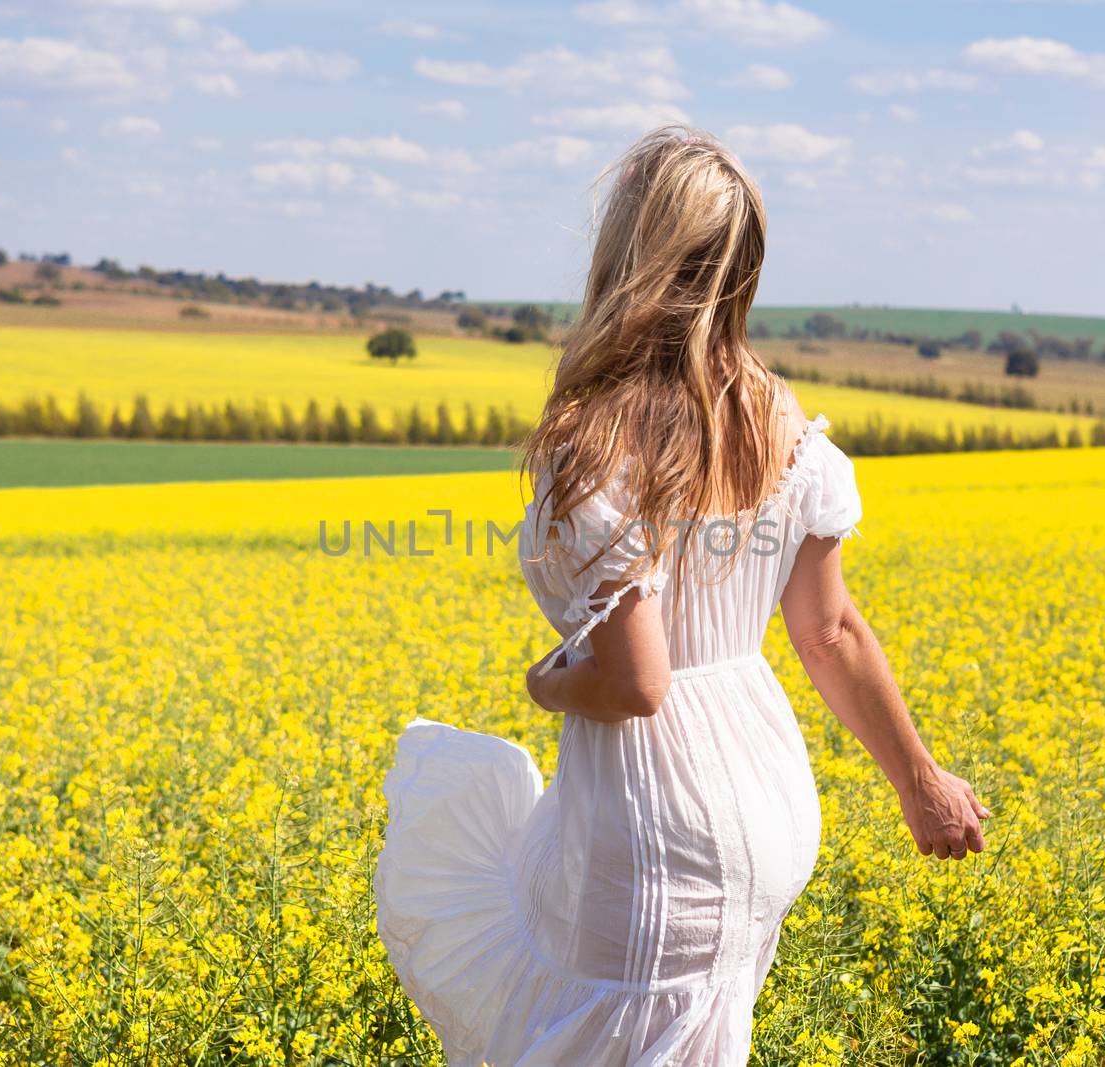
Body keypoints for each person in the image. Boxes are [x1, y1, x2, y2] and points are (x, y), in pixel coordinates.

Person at [374, 124, 990, 1066]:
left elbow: (638, 683)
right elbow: (828, 633)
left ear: (628, 252)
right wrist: (923, 783)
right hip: (767, 800)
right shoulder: (785, 424)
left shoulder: (591, 437)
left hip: (653, 822)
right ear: (743, 266)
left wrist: (546, 685)